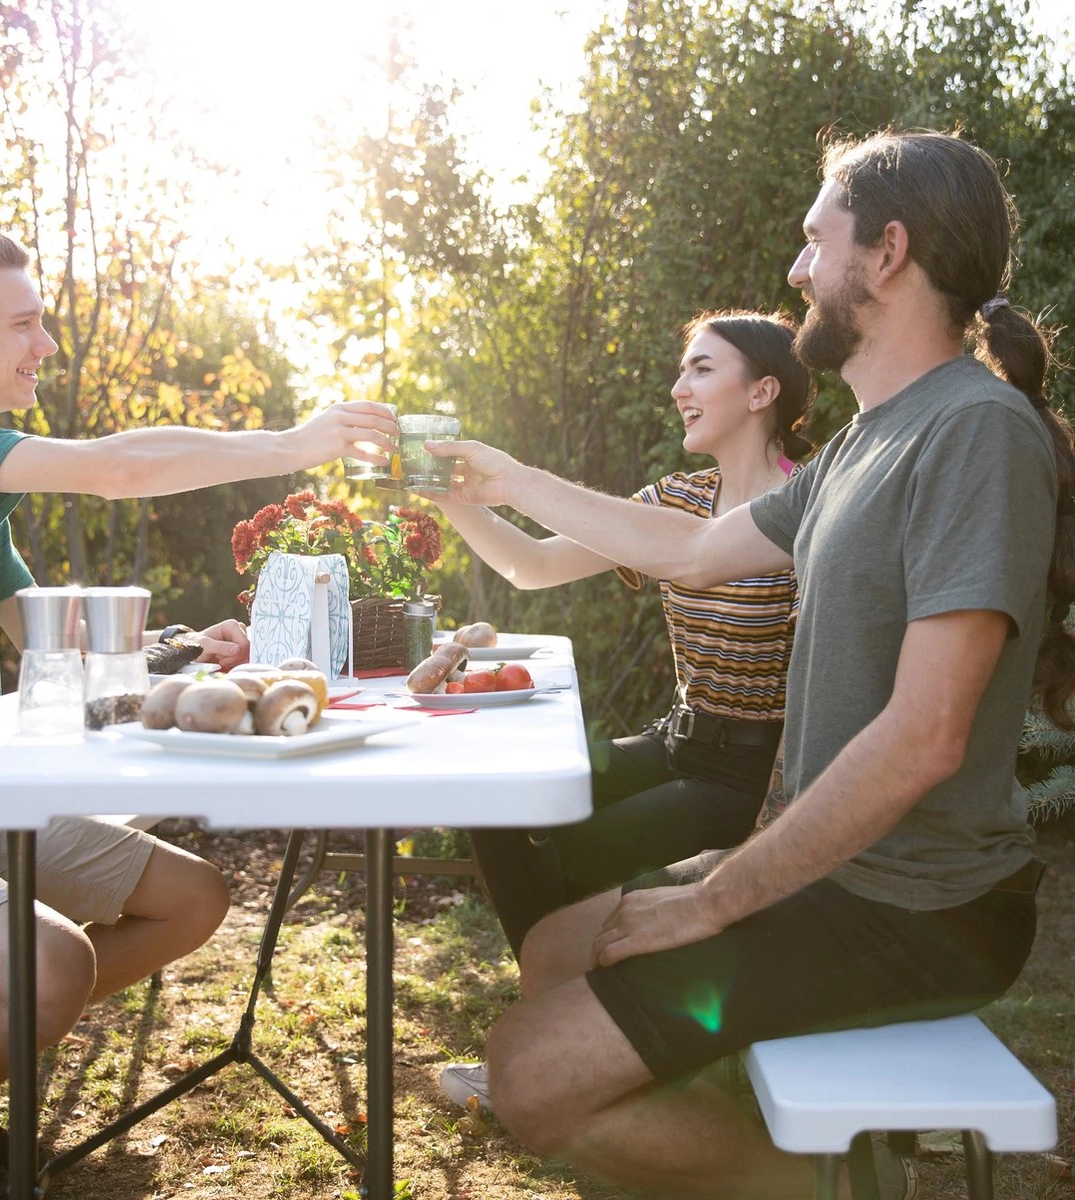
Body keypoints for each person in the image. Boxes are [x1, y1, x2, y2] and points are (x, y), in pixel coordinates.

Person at [427, 129, 1075, 1200]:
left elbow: (927, 737)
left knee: (527, 1079)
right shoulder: (866, 442)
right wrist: (503, 476)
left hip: (921, 907)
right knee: (551, 953)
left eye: (814, 242)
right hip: (832, 872)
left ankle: (832, 1189)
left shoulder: (975, 432)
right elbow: (681, 547)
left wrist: (715, 899)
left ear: (887, 253)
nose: (795, 270)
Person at [0, 224, 399, 1200]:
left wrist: (179, 653)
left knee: (195, 900)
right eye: (25, 322)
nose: (46, 345)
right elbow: (118, 467)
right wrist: (291, 445)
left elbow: (44, 642)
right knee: (55, 971)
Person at [434, 311, 814, 1112]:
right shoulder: (679, 496)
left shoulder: (808, 509)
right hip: (678, 740)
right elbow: (532, 565)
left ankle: (570, 1054)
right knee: (501, 805)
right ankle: (560, 1034)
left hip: (752, 773)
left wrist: (782, 813)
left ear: (764, 391)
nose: (679, 388)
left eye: (703, 370)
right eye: (683, 370)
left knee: (578, 855)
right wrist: (451, 498)